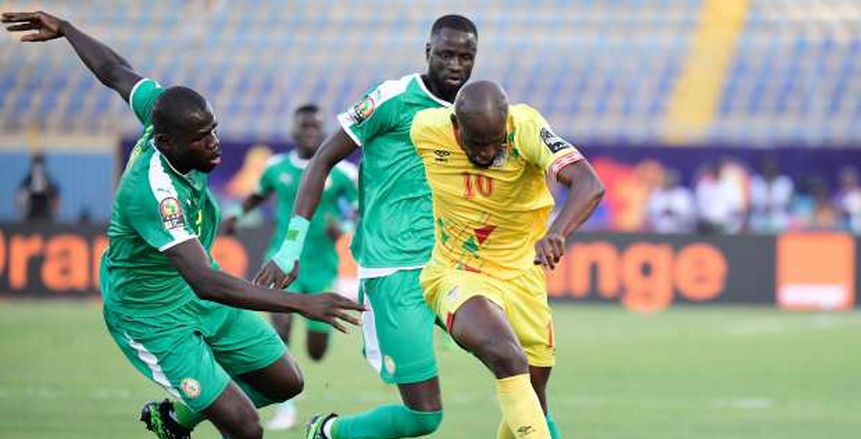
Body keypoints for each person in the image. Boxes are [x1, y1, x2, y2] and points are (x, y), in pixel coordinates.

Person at [2, 11, 363, 439]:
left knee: (287, 382)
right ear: (167, 142)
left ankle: (173, 420)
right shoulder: (154, 193)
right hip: (150, 315)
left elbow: (114, 72)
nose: (214, 143)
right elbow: (206, 281)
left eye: (213, 129)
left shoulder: (162, 114)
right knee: (246, 427)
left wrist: (66, 29)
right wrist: (301, 304)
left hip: (192, 297)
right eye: (201, 137)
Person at [255, 14, 479, 439]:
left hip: (451, 265)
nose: (455, 65)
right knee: (424, 417)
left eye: (465, 57)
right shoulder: (392, 98)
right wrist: (290, 247)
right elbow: (321, 159)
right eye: (446, 54)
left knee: (518, 362)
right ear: (428, 52)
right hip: (393, 270)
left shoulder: (475, 112)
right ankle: (330, 433)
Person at [412, 81, 604, 438]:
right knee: (507, 357)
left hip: (522, 275)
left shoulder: (526, 128)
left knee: (532, 392)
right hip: (458, 272)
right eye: (477, 144)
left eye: (495, 142)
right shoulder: (425, 128)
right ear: (456, 125)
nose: (487, 153)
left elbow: (589, 184)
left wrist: (557, 232)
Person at [222, 104, 358, 430]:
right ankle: (285, 407)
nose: (310, 132)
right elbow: (256, 196)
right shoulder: (275, 168)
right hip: (283, 262)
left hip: (322, 268)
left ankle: (312, 348)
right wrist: (236, 216)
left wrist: (340, 224)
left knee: (316, 350)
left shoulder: (342, 172)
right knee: (280, 330)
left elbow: (357, 208)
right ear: (294, 131)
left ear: (324, 131)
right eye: (304, 127)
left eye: (316, 127)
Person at [749, 157, 793, 233]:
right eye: (767, 168)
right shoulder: (755, 182)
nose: (769, 171)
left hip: (778, 218)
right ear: (763, 169)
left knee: (781, 222)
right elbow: (753, 202)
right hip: (759, 218)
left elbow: (787, 202)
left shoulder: (784, 182)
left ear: (776, 169)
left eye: (772, 168)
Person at [646, 168, 696, 233]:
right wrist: (662, 212)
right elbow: (650, 212)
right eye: (667, 178)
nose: (669, 180)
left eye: (671, 178)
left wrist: (675, 213)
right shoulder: (656, 194)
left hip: (681, 233)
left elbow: (691, 215)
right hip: (659, 233)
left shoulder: (684, 195)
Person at [16, 152, 60, 222]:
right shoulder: (27, 182)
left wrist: (54, 214)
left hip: (46, 216)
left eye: (40, 162)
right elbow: (20, 199)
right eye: (36, 162)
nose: (38, 167)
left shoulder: (48, 181)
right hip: (30, 216)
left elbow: (56, 200)